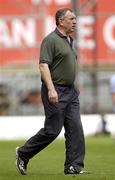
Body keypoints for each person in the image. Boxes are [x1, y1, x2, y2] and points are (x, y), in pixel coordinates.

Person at [16, 8, 87, 175]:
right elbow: (43, 65)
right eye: (71, 19)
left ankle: (73, 166)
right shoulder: (50, 40)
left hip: (70, 92)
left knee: (75, 128)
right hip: (56, 90)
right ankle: (23, 153)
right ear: (61, 21)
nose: (75, 21)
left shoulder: (69, 40)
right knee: (52, 130)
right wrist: (51, 89)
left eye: (75, 19)